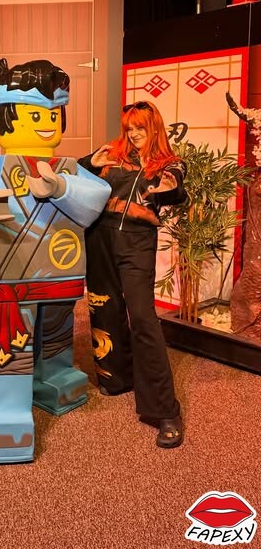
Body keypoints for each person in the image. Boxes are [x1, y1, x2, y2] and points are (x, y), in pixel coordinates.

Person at [0, 58, 111, 464]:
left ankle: (53, 378)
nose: (47, 124)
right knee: (9, 344)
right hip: (8, 276)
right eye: (36, 115)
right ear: (3, 118)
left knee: (56, 335)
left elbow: (97, 196)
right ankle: (6, 415)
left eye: (53, 115)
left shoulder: (67, 168)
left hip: (59, 274)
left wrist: (60, 186)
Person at [78, 100, 187, 448]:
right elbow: (74, 176)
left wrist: (166, 187)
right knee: (104, 308)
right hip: (100, 236)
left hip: (138, 242)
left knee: (142, 317)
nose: (134, 133)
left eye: (140, 127)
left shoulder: (169, 163)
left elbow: (176, 187)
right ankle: (116, 378)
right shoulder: (113, 153)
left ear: (154, 127)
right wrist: (89, 163)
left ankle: (165, 411)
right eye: (129, 128)